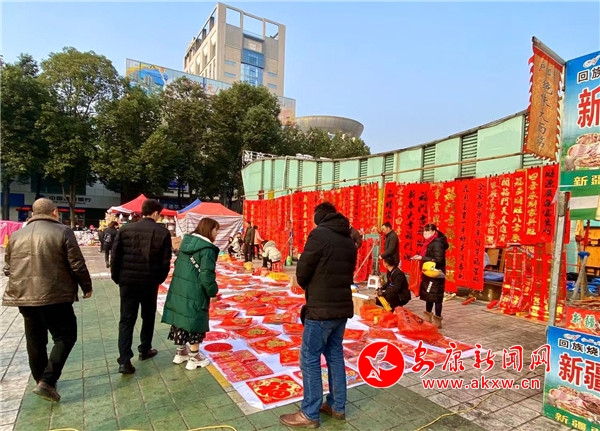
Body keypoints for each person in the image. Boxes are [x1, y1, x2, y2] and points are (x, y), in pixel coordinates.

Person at [2, 198, 93, 402]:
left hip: (23, 296)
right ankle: (48, 380)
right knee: (65, 336)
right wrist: (86, 286)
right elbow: (77, 264)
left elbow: (8, 268)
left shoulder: (16, 235)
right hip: (55, 294)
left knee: (35, 340)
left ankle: (40, 380)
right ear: (54, 212)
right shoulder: (63, 231)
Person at [280, 202, 357, 428]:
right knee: (334, 355)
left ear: (319, 217)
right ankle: (337, 406)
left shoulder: (319, 235)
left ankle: (309, 412)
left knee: (310, 357)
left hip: (321, 308)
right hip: (341, 307)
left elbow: (302, 271)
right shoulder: (348, 238)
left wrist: (310, 284)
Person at [111, 199, 173, 374]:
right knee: (148, 316)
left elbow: (115, 256)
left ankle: (124, 360)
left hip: (127, 281)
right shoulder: (162, 232)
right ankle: (145, 349)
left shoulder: (125, 229)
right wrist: (159, 279)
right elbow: (165, 261)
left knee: (126, 319)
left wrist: (117, 277)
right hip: (149, 281)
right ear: (156, 213)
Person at [161, 218, 220, 370]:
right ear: (209, 230)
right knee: (195, 321)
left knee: (181, 318)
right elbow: (206, 275)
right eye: (216, 230)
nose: (217, 233)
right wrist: (213, 291)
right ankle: (194, 357)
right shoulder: (207, 249)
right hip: (195, 290)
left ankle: (181, 352)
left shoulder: (186, 244)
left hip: (179, 288)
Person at [414, 223, 449, 329]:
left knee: (436, 297)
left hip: (436, 273)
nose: (425, 234)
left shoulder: (437, 243)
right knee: (429, 295)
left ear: (434, 232)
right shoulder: (430, 242)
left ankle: (437, 320)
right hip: (430, 272)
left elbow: (439, 260)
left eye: (427, 232)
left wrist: (423, 258)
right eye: (424, 232)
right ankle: (428, 318)